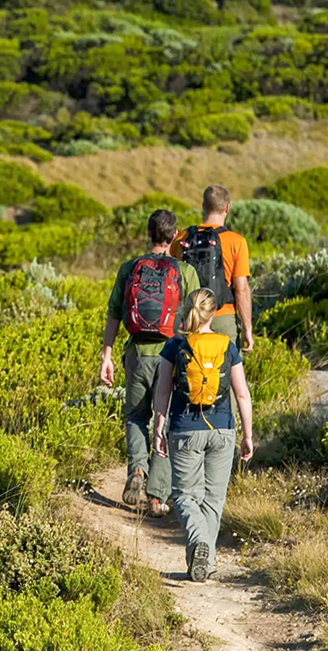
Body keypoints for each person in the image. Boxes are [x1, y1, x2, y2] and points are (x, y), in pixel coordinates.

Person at [100, 208, 200, 516]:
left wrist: (106, 353)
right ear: (173, 237)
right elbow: (195, 317)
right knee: (165, 419)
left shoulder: (129, 267)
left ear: (149, 233)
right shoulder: (185, 272)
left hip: (136, 354)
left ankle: (137, 471)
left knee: (135, 417)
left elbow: (114, 312)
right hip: (170, 355)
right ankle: (157, 496)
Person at [152, 288, 254, 582]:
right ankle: (203, 562)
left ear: (187, 311)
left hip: (185, 429)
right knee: (212, 500)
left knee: (184, 496)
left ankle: (199, 547)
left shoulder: (174, 346)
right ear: (213, 313)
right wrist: (247, 434)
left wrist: (159, 423)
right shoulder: (228, 346)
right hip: (222, 429)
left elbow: (162, 390)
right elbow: (242, 394)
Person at [178, 184, 254, 352]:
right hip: (222, 317)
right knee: (226, 373)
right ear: (227, 207)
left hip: (190, 317)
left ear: (203, 205)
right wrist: (247, 328)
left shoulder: (183, 238)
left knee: (188, 372)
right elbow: (241, 289)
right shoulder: (236, 241)